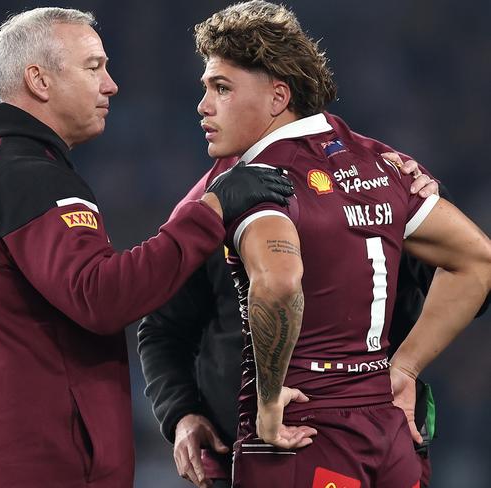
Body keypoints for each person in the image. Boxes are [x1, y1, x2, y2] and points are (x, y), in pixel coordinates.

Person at [0, 7, 294, 488]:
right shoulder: (27, 174)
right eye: (93, 67)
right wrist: (209, 211)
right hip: (37, 469)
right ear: (39, 80)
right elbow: (100, 297)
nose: (111, 85)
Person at [180, 2, 490, 487]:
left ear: (278, 96)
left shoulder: (259, 180)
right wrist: (405, 366)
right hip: (388, 430)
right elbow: (477, 260)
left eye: (221, 88)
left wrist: (266, 402)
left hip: (303, 426)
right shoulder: (382, 163)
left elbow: (280, 283)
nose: (203, 106)